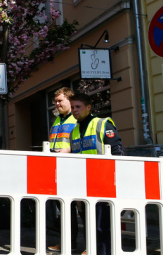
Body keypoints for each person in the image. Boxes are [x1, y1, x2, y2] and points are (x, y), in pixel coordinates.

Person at [69, 93, 123, 255]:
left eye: (78, 107)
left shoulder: (102, 124)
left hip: (102, 183)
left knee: (102, 225)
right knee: (88, 223)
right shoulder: (74, 131)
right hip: (84, 185)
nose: (74, 111)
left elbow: (116, 152)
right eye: (72, 107)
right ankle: (92, 250)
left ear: (88, 107)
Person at [47, 87, 79, 252]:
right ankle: (68, 243)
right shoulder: (59, 120)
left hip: (74, 168)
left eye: (60, 101)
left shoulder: (76, 119)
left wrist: (70, 151)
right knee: (66, 209)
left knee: (83, 209)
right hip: (58, 169)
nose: (57, 104)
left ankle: (90, 245)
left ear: (69, 100)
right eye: (56, 101)